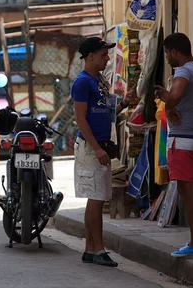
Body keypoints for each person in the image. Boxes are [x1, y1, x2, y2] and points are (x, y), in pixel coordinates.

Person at [71, 37, 135, 267]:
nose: (107, 58)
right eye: (103, 54)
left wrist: (124, 104)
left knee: (96, 199)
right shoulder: (81, 83)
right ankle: (97, 249)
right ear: (90, 57)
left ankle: (91, 249)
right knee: (96, 200)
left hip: (101, 146)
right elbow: (80, 119)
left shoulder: (100, 81)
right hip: (91, 148)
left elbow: (107, 112)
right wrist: (96, 148)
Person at [154, 33, 193, 257]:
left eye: (167, 54)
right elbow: (185, 97)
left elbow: (178, 94)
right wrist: (167, 97)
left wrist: (169, 105)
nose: (167, 58)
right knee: (190, 189)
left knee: (188, 191)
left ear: (174, 52)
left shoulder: (184, 71)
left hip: (184, 140)